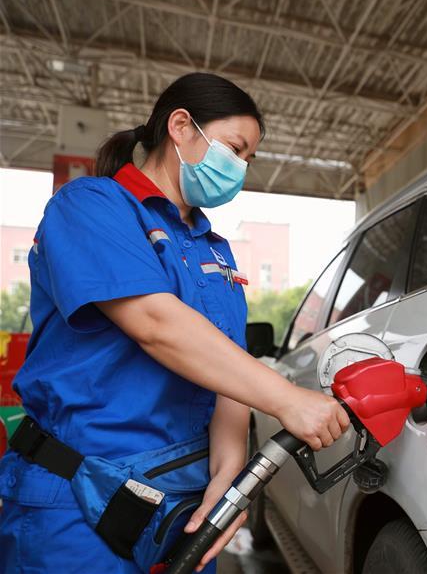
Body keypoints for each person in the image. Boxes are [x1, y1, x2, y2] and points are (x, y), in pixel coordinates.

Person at [0, 73, 350, 573]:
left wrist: (227, 473)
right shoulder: (92, 206)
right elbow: (153, 322)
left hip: (178, 509)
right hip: (77, 499)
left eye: (248, 159)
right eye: (235, 149)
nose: (241, 169)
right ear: (181, 127)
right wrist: (289, 399)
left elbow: (227, 360)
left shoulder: (215, 249)